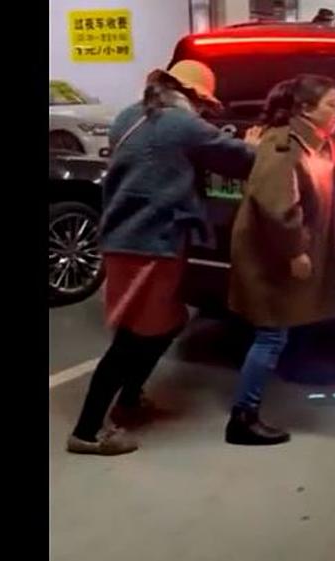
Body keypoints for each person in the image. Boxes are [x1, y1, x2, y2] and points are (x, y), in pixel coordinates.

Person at [67, 60, 257, 456]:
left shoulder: (128, 116)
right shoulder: (181, 124)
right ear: (190, 95)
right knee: (132, 337)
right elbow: (239, 157)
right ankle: (87, 431)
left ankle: (131, 397)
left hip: (124, 238)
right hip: (151, 242)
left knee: (169, 323)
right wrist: (257, 141)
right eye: (204, 103)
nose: (206, 112)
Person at [226, 75, 335, 445]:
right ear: (305, 109)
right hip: (272, 254)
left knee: (277, 331)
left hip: (281, 251)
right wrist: (295, 250)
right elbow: (278, 205)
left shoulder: (313, 141)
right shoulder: (284, 145)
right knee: (270, 334)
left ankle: (252, 406)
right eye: (331, 105)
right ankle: (242, 418)